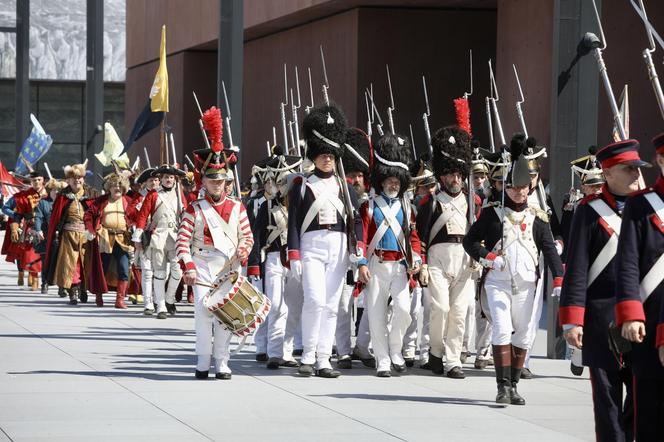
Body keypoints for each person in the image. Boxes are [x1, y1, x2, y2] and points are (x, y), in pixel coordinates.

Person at [463, 134, 563, 405]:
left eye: (522, 188)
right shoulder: (492, 214)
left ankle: (515, 385)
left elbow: (550, 249)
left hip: (527, 285)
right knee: (502, 330)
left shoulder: (537, 217)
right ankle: (502, 385)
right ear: (504, 188)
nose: (519, 192)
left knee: (524, 334)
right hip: (498, 282)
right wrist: (488, 257)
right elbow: (469, 241)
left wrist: (559, 280)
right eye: (513, 188)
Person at [560, 139, 647, 441]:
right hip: (601, 322)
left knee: (641, 401)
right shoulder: (589, 211)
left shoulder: (651, 210)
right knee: (607, 403)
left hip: (642, 319)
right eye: (628, 169)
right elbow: (578, 267)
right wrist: (573, 320)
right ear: (608, 174)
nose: (636, 174)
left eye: (637, 168)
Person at [287, 103, 364, 378]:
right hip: (312, 245)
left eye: (331, 156)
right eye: (322, 155)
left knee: (332, 305)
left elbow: (355, 220)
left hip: (339, 246)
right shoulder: (303, 185)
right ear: (314, 157)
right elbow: (294, 222)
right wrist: (293, 254)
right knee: (315, 301)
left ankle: (323, 358)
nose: (327, 160)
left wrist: (359, 250)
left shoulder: (346, 188)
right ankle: (307, 355)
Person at [178, 145, 254, 380]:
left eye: (220, 180)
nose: (217, 184)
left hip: (229, 266)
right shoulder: (194, 209)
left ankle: (222, 361)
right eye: (212, 181)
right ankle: (202, 361)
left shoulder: (237, 206)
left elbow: (247, 237)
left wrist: (243, 250)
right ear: (204, 182)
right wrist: (188, 267)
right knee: (202, 313)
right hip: (202, 265)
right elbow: (182, 242)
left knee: (225, 314)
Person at [416, 126, 479, 379]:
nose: (456, 180)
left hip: (463, 259)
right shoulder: (430, 202)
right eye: (451, 175)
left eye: (459, 175)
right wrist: (421, 263)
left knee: (459, 313)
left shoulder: (473, 201)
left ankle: (453, 360)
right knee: (440, 308)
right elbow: (420, 234)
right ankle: (435, 351)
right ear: (442, 177)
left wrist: (478, 257)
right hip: (437, 260)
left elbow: (477, 231)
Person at [357, 133, 421, 377]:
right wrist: (362, 262)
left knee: (404, 310)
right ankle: (382, 360)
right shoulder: (369, 206)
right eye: (390, 180)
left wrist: (416, 258)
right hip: (377, 263)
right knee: (376, 314)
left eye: (397, 181)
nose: (394, 185)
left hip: (399, 265)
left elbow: (413, 237)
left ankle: (396, 349)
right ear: (382, 181)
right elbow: (361, 237)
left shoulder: (407, 207)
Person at [614, 135, 664, 441]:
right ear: (660, 161)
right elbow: (628, 263)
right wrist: (631, 314)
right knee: (649, 412)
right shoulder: (640, 205)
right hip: (650, 318)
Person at [247, 145, 301, 368]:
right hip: (273, 258)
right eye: (279, 182)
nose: (281, 186)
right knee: (276, 305)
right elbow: (256, 237)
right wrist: (254, 267)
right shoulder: (267, 206)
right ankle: (274, 352)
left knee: (294, 306)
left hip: (295, 260)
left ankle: (287, 351)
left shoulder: (300, 206)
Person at [336, 127, 374, 370]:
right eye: (352, 175)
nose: (356, 180)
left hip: (368, 258)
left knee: (372, 305)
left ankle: (362, 345)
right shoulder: (338, 197)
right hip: (342, 255)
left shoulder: (370, 202)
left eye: (360, 175)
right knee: (341, 305)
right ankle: (342, 350)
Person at [132, 163, 188, 319]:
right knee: (160, 273)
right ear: (161, 179)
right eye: (166, 177)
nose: (168, 179)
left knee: (178, 271)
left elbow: (185, 212)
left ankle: (169, 299)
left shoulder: (179, 193)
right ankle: (161, 306)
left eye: (171, 177)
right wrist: (138, 233)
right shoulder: (154, 194)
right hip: (158, 237)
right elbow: (143, 215)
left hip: (176, 236)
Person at [45, 160, 97, 304]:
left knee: (85, 262)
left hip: (86, 235)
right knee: (71, 263)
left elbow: (97, 214)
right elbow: (56, 217)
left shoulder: (91, 194)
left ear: (83, 179)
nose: (77, 180)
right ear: (68, 180)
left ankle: (83, 288)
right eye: (73, 178)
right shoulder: (62, 196)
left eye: (79, 177)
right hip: (68, 235)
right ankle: (73, 290)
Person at [84, 171, 135, 308]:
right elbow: (88, 215)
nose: (117, 188)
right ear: (109, 187)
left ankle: (120, 300)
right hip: (105, 239)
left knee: (124, 268)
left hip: (123, 239)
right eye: (114, 185)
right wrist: (91, 230)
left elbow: (136, 217)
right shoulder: (101, 201)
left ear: (124, 187)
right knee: (102, 268)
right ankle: (99, 297)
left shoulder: (128, 201)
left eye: (119, 185)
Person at [2, 170, 47, 290]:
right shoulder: (22, 195)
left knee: (39, 253)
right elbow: (5, 208)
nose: (37, 182)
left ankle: (35, 277)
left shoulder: (49, 195)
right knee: (24, 252)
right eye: (34, 180)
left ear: (43, 180)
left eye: (39, 179)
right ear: (31, 181)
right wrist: (16, 216)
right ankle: (22, 274)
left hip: (44, 227)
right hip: (27, 227)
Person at [127, 167, 159, 314]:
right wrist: (138, 208)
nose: (154, 182)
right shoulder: (139, 196)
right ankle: (148, 302)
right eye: (151, 180)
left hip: (161, 235)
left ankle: (160, 300)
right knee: (147, 271)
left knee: (161, 272)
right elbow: (129, 214)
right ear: (145, 183)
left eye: (156, 180)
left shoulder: (165, 195)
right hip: (144, 235)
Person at [34, 177, 65, 294]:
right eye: (54, 189)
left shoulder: (64, 203)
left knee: (62, 262)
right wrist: (38, 230)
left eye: (59, 190)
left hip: (62, 236)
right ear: (50, 190)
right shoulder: (43, 202)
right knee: (46, 261)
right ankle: (45, 283)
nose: (56, 192)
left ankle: (62, 287)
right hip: (46, 237)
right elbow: (38, 217)